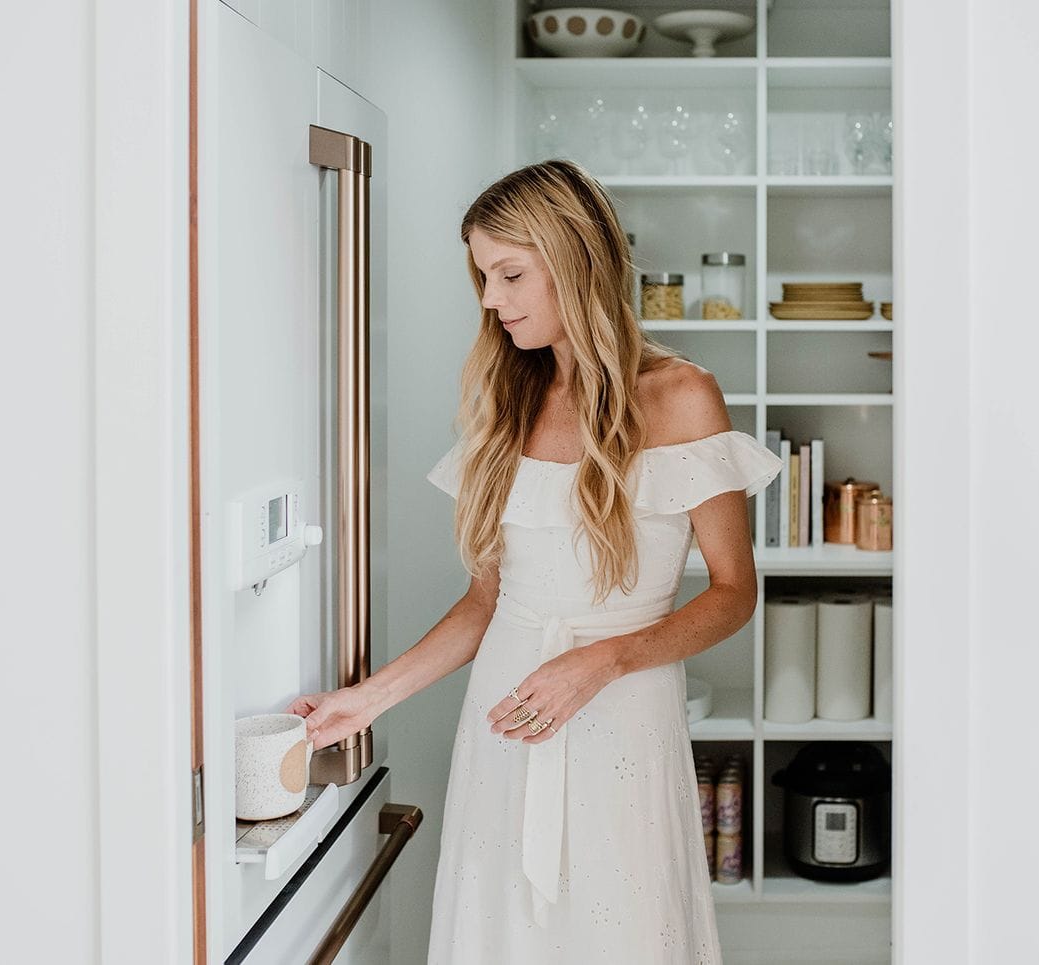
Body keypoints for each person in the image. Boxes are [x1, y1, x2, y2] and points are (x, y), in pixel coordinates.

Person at [285, 159, 783, 962]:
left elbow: (733, 593)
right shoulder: (510, 400)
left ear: (576, 257)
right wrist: (367, 699)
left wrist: (605, 658)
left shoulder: (682, 395)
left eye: (510, 273)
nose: (491, 299)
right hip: (506, 714)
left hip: (622, 707)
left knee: (619, 928)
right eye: (484, 276)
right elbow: (487, 600)